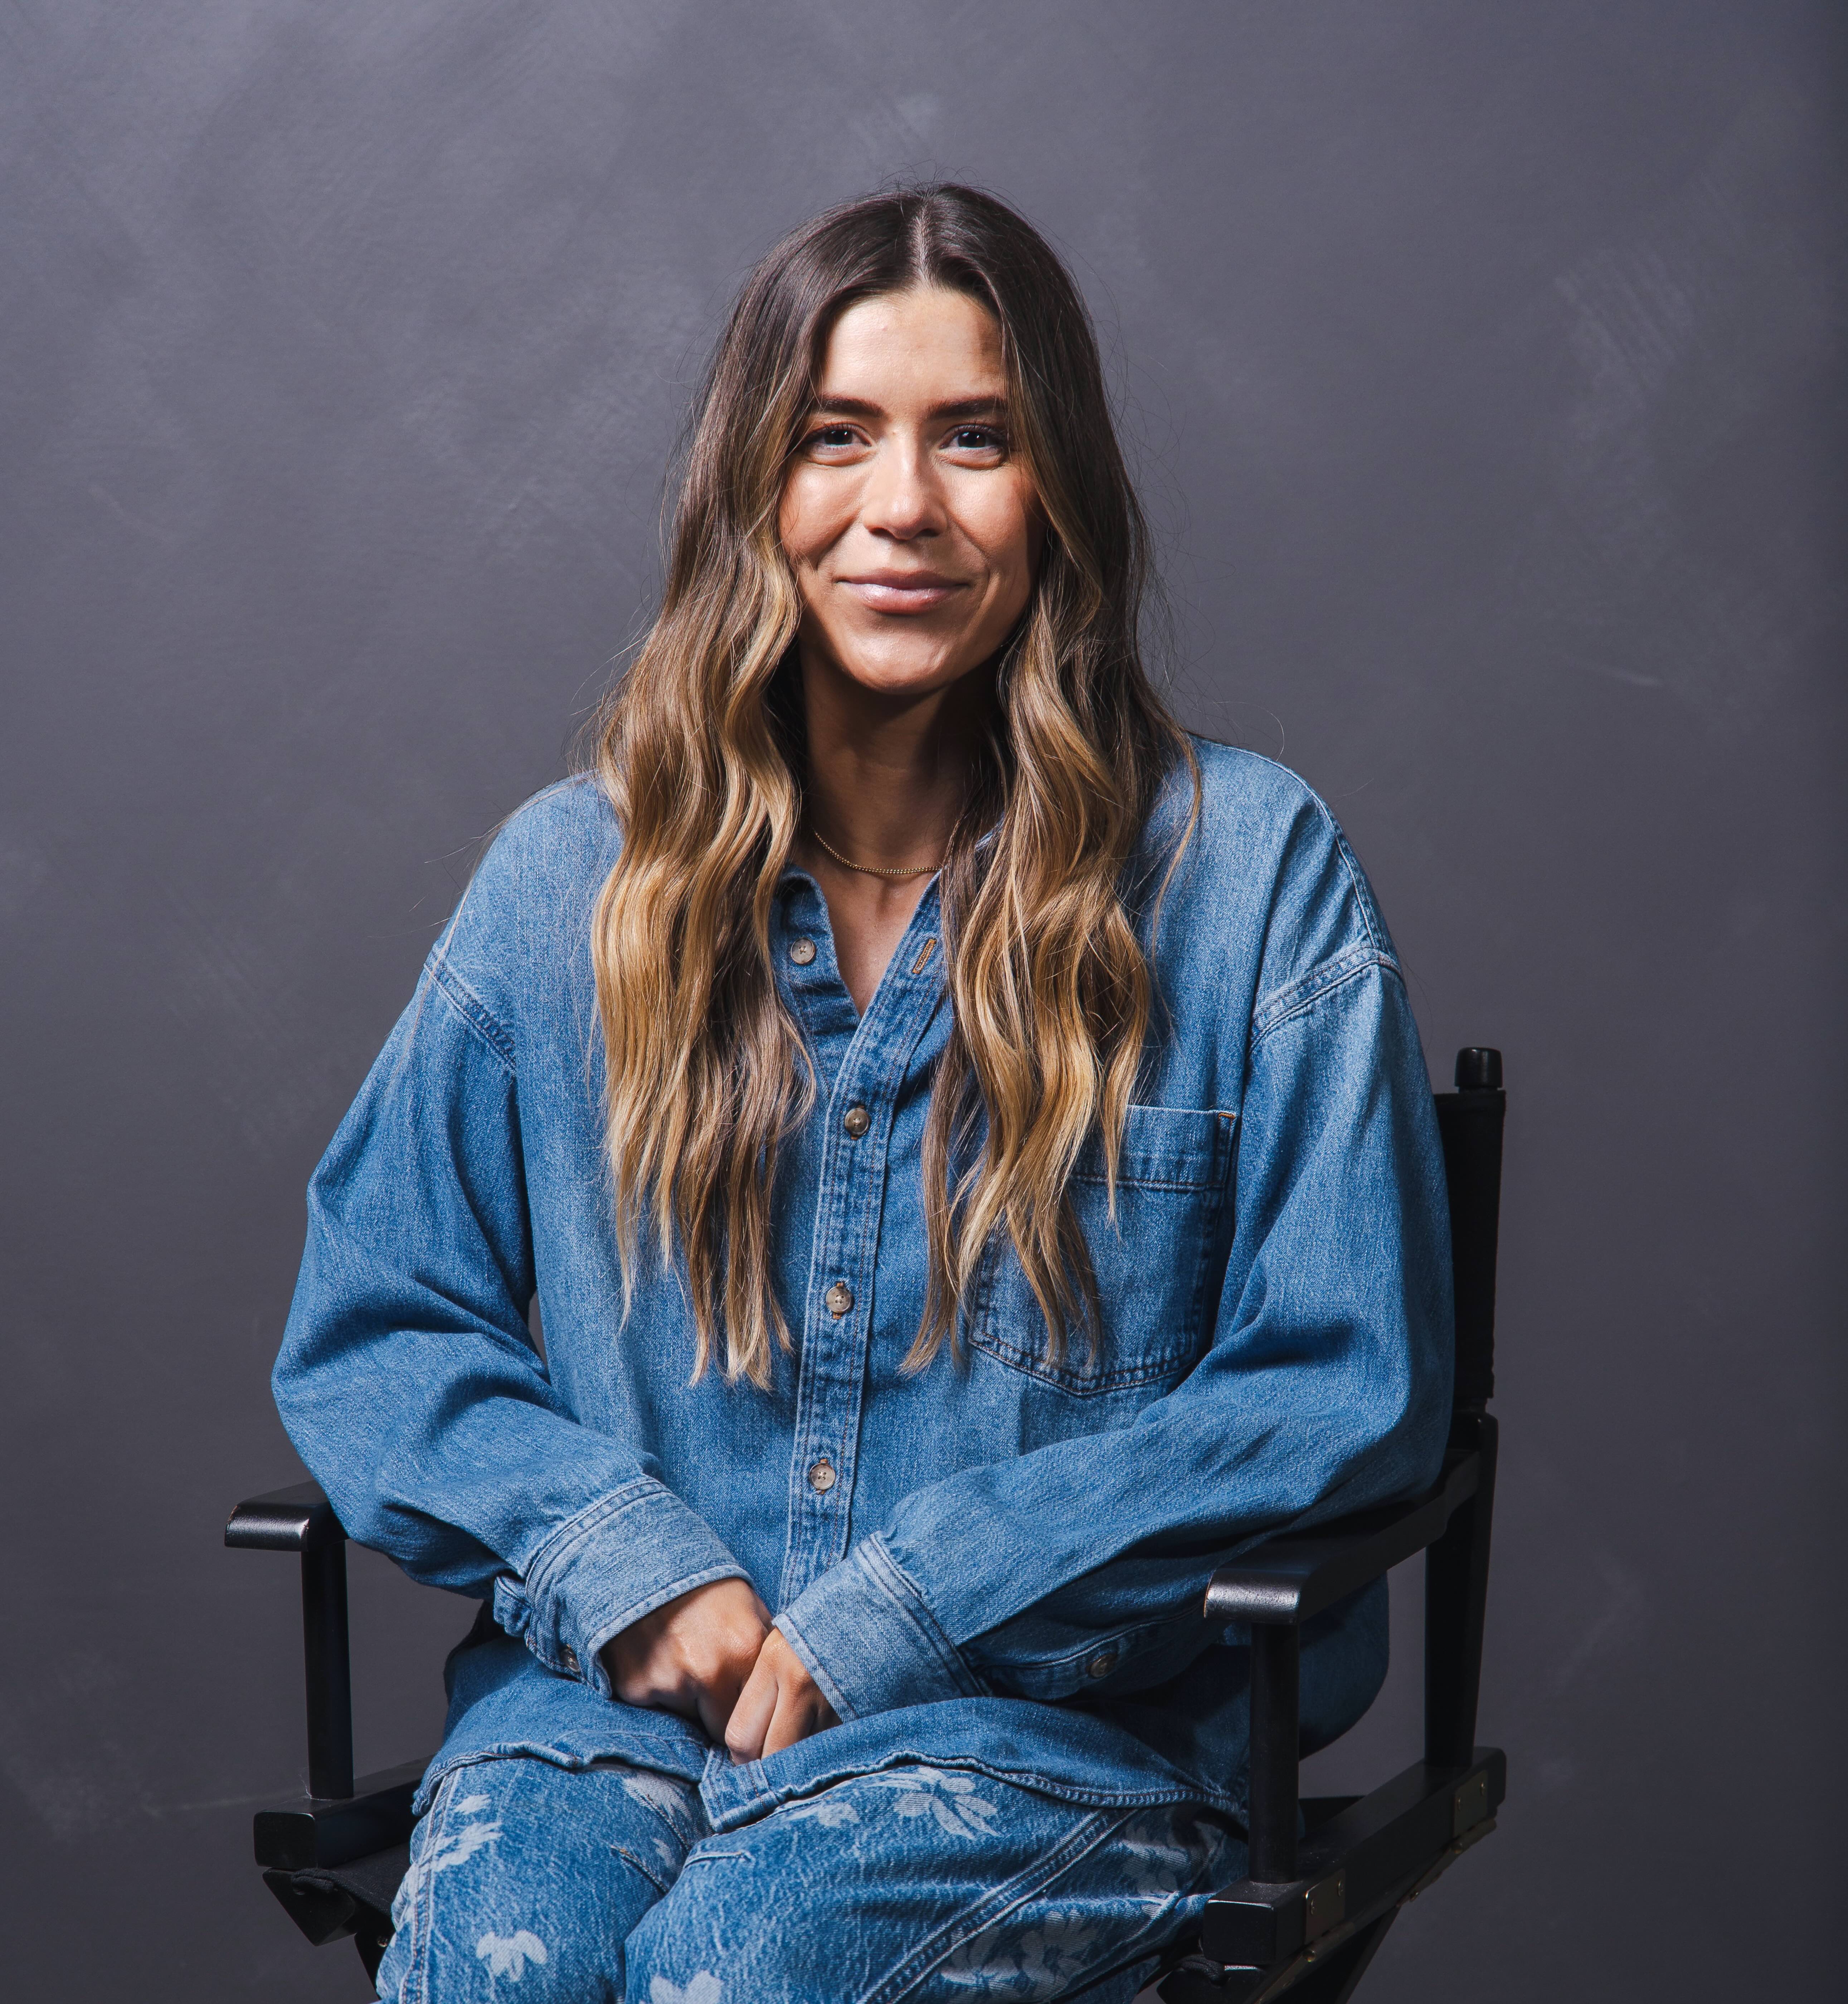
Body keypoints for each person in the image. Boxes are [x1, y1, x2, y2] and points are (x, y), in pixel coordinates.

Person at [275, 184, 1453, 2004]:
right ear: (757, 489)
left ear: (1054, 485)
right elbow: (376, 1323)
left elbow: (1337, 1382)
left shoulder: (1249, 878)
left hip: (1053, 1739)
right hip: (607, 1726)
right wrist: (627, 1565)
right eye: (837, 438)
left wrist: (912, 1604)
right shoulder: (562, 886)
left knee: (745, 1970)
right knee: (505, 1970)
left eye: (973, 438)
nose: (902, 506)